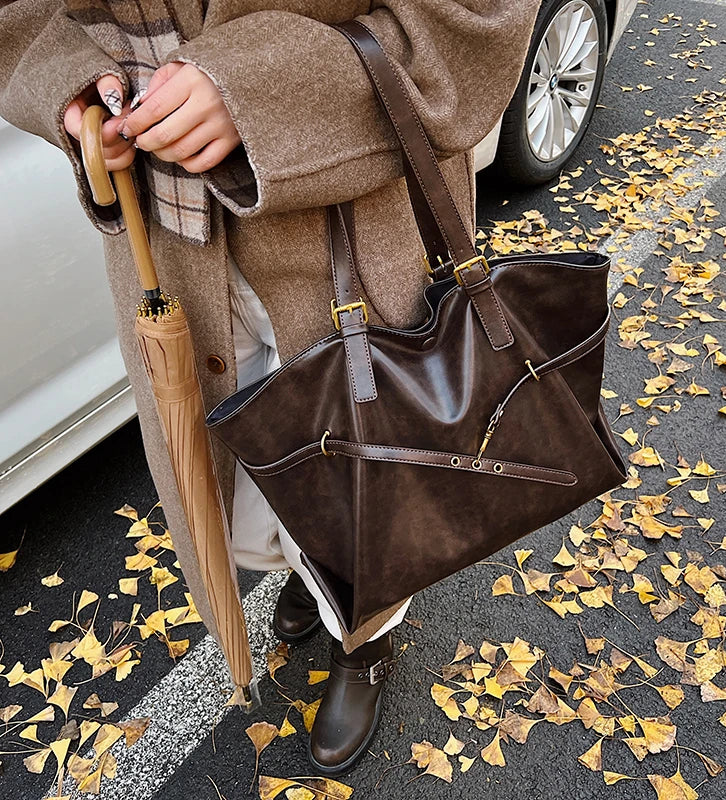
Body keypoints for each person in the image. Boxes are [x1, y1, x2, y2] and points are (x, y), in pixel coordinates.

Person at [0, 0, 537, 775]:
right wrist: (72, 88)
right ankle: (312, 572)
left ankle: (367, 638)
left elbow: (481, 16)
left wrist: (265, 89)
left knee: (373, 486)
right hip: (168, 255)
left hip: (351, 234)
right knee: (242, 501)